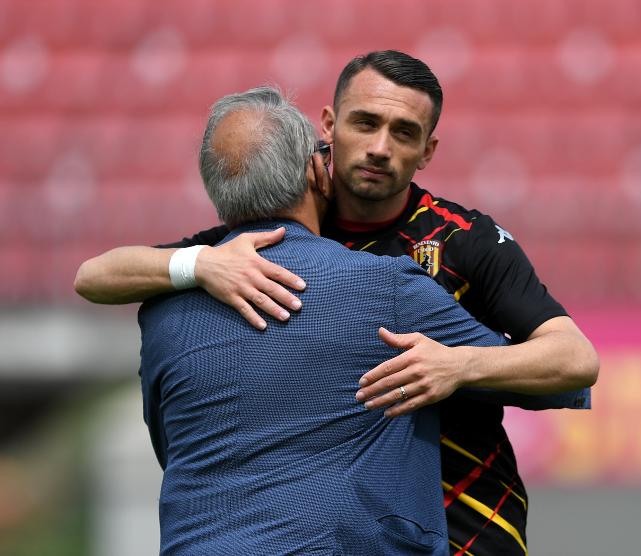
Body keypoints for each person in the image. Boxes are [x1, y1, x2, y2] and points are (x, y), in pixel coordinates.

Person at [76, 51, 599, 555]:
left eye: (404, 132)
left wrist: (459, 363)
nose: (379, 147)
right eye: (365, 123)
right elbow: (94, 276)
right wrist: (199, 264)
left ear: (428, 151)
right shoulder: (260, 237)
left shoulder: (464, 240)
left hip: (470, 521)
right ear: (328, 125)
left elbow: (575, 363)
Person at [140, 86, 510, 555]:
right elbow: (554, 380)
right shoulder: (387, 286)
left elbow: (171, 451)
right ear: (316, 170)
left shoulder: (160, 311)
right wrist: (458, 365)